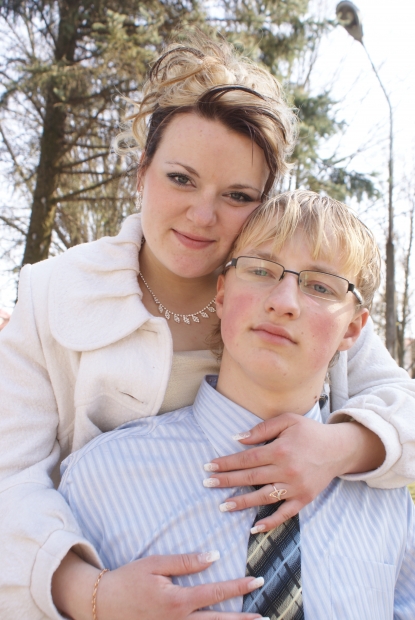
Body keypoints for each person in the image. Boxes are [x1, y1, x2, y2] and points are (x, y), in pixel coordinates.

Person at [0, 32, 414, 620]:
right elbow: (10, 480)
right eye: (181, 178)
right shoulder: (55, 294)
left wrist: (340, 447)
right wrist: (92, 593)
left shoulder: (293, 302)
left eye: (237, 195)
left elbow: (402, 405)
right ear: (142, 171)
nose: (202, 214)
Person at [58, 190, 415, 620]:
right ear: (223, 295)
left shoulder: (388, 501)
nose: (283, 302)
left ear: (353, 330)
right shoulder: (101, 477)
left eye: (320, 286)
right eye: (261, 270)